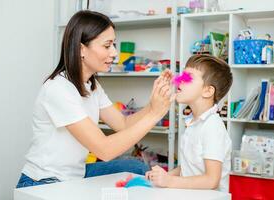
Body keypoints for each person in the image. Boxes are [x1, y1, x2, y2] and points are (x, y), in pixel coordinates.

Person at [16, 10, 174, 188]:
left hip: (76, 173)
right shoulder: (58, 89)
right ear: (81, 49)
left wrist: (153, 106)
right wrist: (154, 116)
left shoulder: (92, 86)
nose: (114, 53)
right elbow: (105, 150)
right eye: (107, 46)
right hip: (45, 180)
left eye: (113, 44)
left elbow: (123, 124)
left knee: (134, 167)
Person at [146, 54, 233, 192]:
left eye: (187, 78)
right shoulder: (193, 123)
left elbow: (211, 180)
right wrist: (163, 177)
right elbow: (188, 168)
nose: (179, 80)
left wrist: (169, 181)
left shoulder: (212, 127)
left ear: (207, 91)